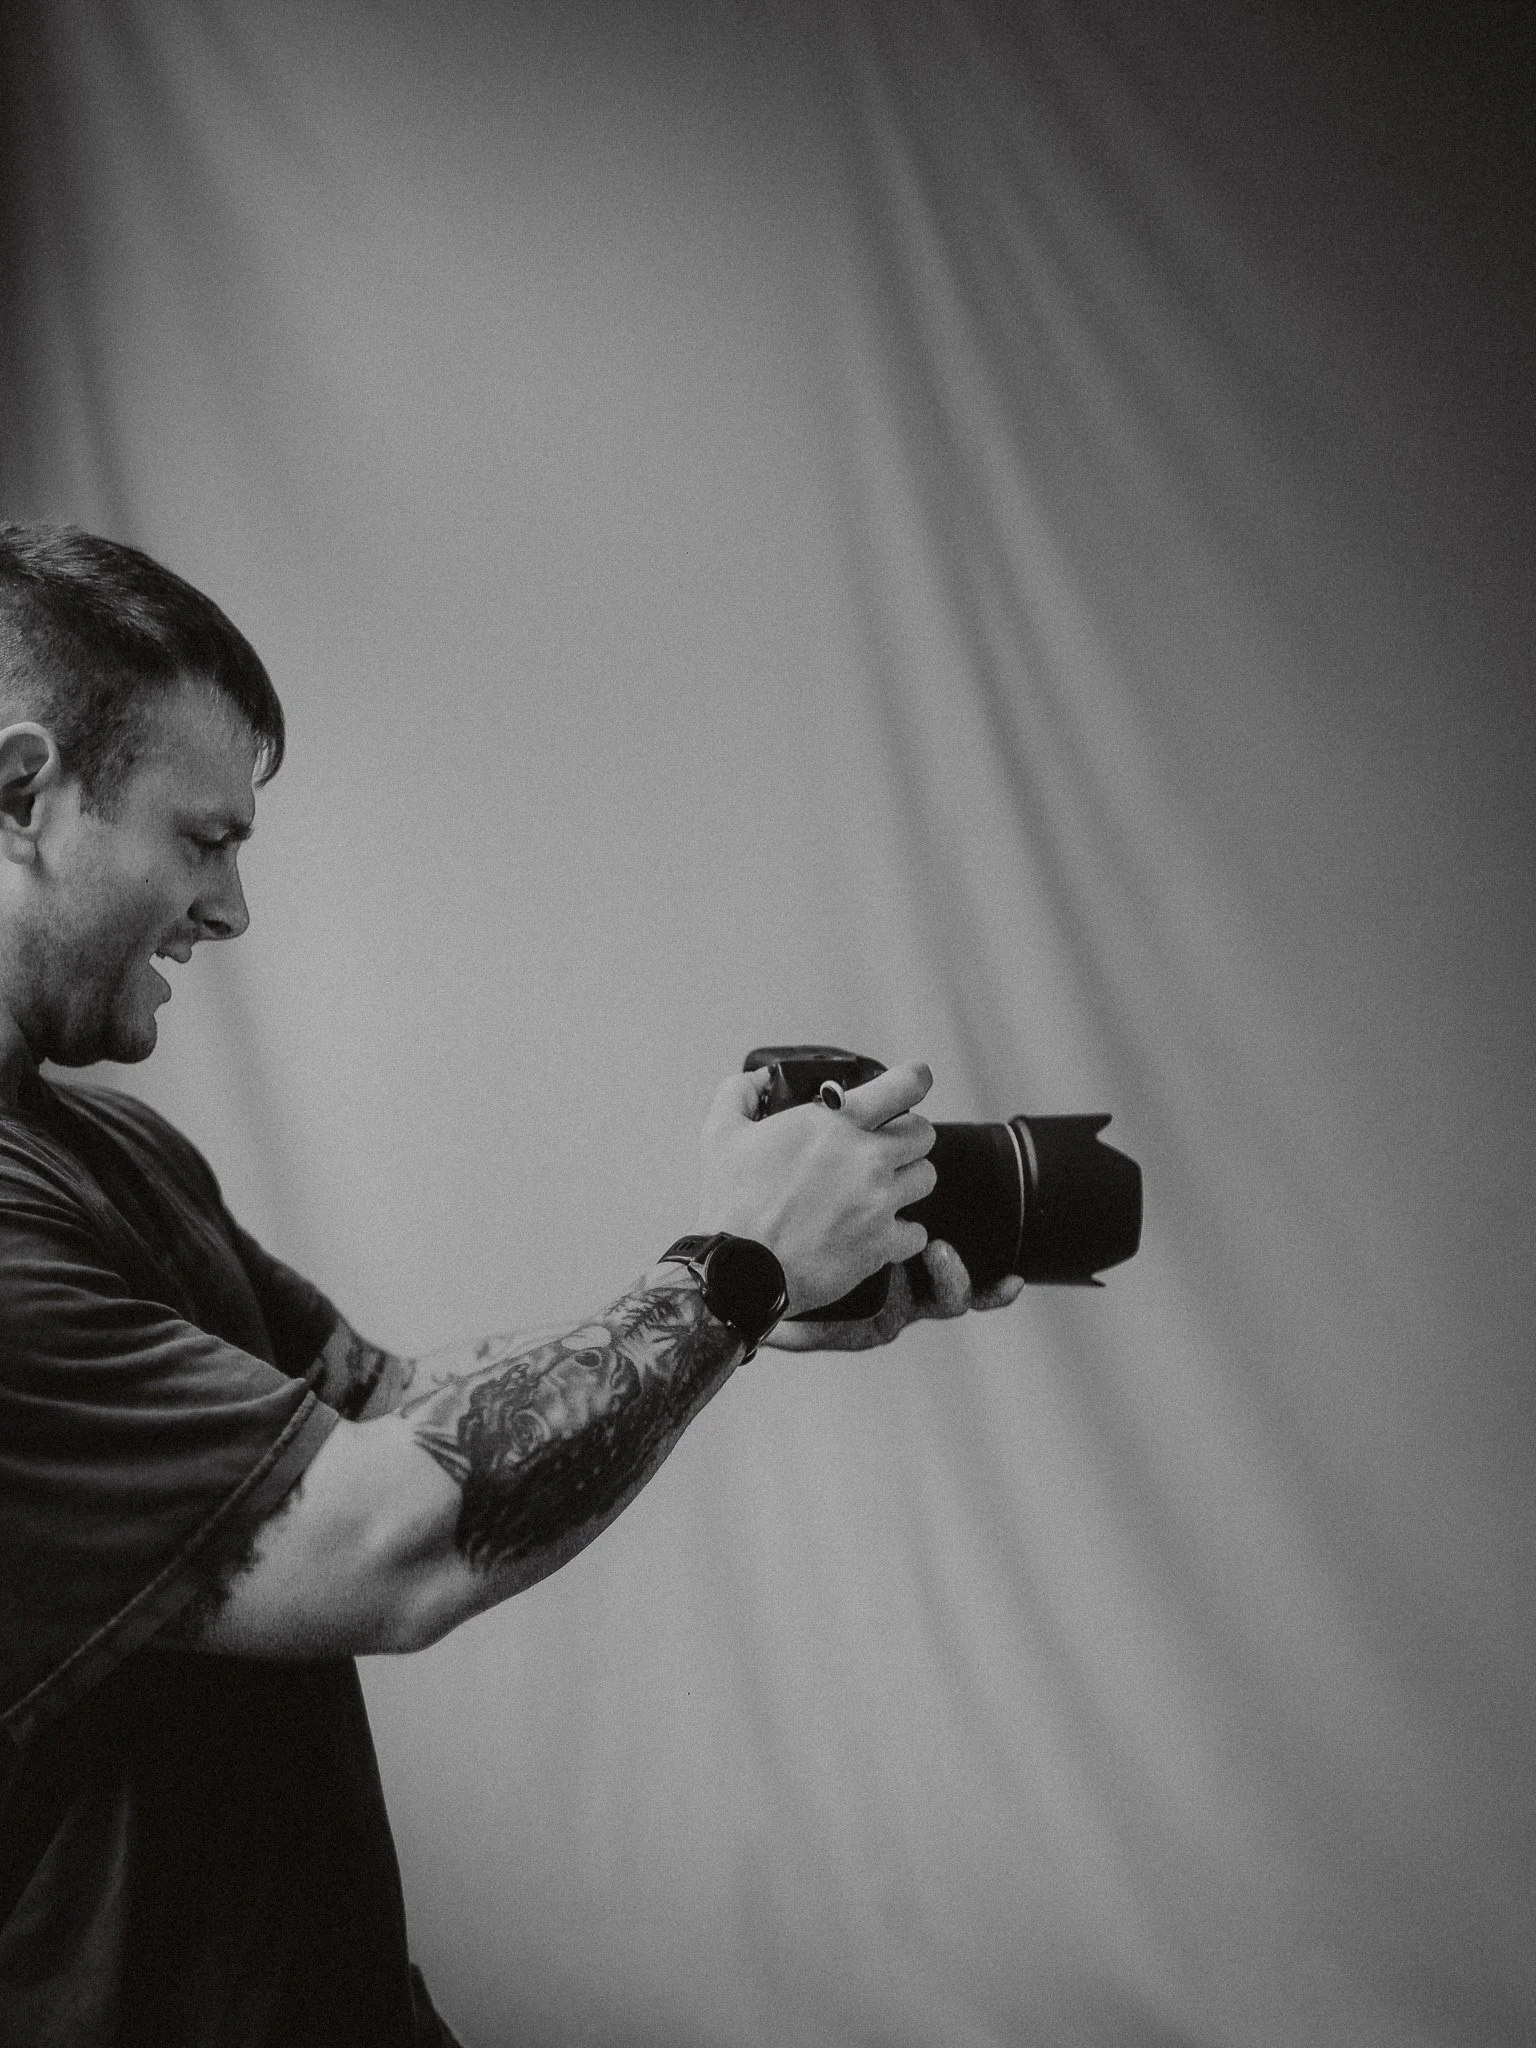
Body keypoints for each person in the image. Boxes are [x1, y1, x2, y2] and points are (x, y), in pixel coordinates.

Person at [0, 521, 1023, 2048]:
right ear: (21, 793)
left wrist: (750, 1303)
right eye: (203, 840)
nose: (232, 909)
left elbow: (398, 1413)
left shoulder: (113, 1153)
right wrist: (729, 1276)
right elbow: (383, 1543)